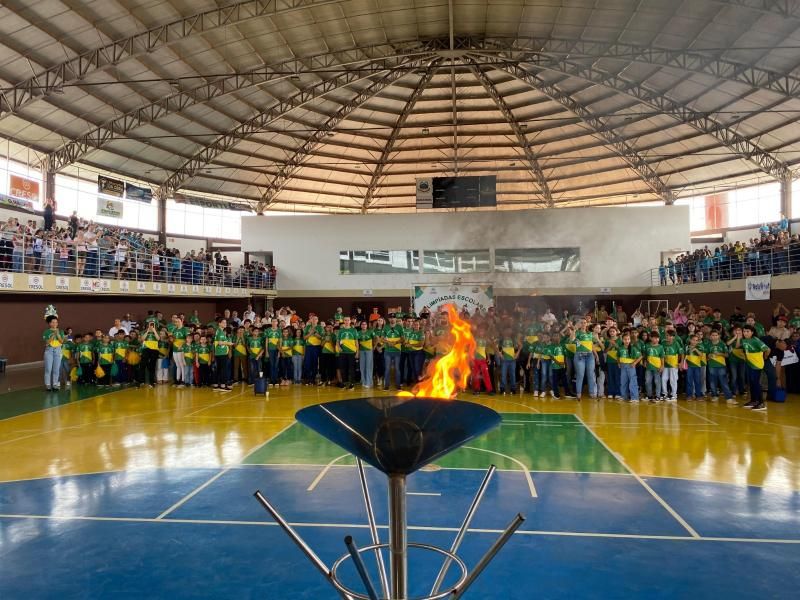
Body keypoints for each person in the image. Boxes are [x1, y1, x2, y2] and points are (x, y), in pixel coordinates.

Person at [736, 325, 770, 411]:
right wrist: (739, 337)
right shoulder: (744, 340)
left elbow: (767, 349)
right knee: (751, 382)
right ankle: (754, 400)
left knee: (755, 383)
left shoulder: (756, 340)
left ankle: (761, 403)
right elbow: (737, 346)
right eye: (744, 331)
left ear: (752, 332)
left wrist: (765, 357)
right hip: (749, 363)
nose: (745, 333)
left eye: (748, 331)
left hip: (756, 364)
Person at [570, 319, 597, 400]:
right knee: (580, 375)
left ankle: (592, 393)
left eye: (585, 322)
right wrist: (574, 330)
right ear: (579, 324)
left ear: (587, 324)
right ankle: (578, 394)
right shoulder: (577, 332)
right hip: (579, 355)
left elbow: (592, 345)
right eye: (581, 323)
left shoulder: (590, 333)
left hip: (590, 355)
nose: (583, 324)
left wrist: (596, 355)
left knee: (591, 374)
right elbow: (571, 340)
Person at [706, 330, 734, 404]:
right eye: (713, 335)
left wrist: (720, 354)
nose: (714, 337)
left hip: (721, 365)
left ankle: (729, 397)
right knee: (712, 382)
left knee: (723, 382)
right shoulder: (708, 345)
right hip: (712, 365)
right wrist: (708, 356)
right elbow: (706, 356)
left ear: (719, 336)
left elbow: (727, 355)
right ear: (710, 336)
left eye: (716, 335)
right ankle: (714, 395)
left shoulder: (722, 344)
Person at [381, 314, 404, 391]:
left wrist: (395, 342)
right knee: (387, 368)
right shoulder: (385, 327)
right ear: (388, 319)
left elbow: (403, 339)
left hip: (397, 351)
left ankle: (398, 385)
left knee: (397, 369)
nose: (392, 319)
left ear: (396, 319)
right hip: (388, 351)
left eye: (394, 318)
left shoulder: (399, 327)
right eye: (391, 318)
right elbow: (382, 338)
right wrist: (388, 342)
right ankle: (386, 385)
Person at [618, 332, 641, 402]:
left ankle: (634, 398)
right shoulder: (620, 348)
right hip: (623, 366)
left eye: (628, 339)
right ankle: (624, 396)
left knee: (632, 382)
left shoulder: (633, 348)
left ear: (630, 340)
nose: (627, 341)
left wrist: (635, 363)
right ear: (622, 340)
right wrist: (618, 363)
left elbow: (640, 356)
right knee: (623, 381)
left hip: (630, 366)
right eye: (625, 339)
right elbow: (618, 356)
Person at [43, 316, 64, 391]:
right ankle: (48, 385)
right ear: (49, 323)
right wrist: (53, 335)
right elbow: (47, 343)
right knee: (48, 368)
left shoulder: (60, 331)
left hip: (58, 350)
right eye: (53, 322)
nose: (55, 324)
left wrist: (57, 334)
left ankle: (55, 384)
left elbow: (62, 341)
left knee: (56, 369)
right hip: (49, 350)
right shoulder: (46, 332)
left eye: (56, 322)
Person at [336, 316, 358, 389]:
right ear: (343, 321)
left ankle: (352, 383)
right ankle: (344, 383)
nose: (346, 321)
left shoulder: (354, 330)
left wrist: (357, 352)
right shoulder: (340, 330)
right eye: (345, 320)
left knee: (351, 369)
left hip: (352, 352)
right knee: (343, 368)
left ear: (350, 321)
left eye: (348, 320)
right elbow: (337, 341)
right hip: (343, 353)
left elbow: (356, 342)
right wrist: (339, 347)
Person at [643, 332, 665, 402]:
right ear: (650, 338)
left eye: (657, 338)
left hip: (657, 367)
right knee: (647, 381)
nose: (656, 339)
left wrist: (662, 365)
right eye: (654, 338)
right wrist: (645, 361)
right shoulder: (647, 345)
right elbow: (645, 355)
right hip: (649, 367)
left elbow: (662, 357)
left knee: (657, 381)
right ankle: (649, 395)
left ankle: (658, 396)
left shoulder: (660, 347)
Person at [498, 327, 519, 395]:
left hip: (512, 360)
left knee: (512, 375)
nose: (508, 332)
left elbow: (519, 347)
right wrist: (500, 354)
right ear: (504, 331)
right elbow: (498, 348)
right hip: (504, 360)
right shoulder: (501, 340)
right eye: (507, 330)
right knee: (503, 375)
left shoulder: (514, 340)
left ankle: (513, 389)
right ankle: (502, 389)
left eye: (510, 330)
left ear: (512, 332)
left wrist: (517, 354)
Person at [213, 318, 233, 390]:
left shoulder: (220, 331)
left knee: (219, 369)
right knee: (223, 369)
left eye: (226, 322)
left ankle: (216, 384)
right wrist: (228, 343)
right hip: (221, 353)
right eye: (223, 322)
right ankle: (223, 385)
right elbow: (219, 342)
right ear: (219, 323)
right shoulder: (220, 332)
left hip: (220, 353)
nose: (225, 324)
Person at [357, 320, 374, 388]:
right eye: (362, 324)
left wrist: (374, 347)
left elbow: (376, 339)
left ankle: (369, 382)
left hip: (369, 351)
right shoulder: (358, 333)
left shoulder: (370, 332)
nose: (364, 325)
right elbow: (356, 342)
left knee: (368, 366)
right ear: (360, 326)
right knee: (362, 366)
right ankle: (363, 381)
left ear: (367, 325)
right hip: (361, 351)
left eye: (365, 324)